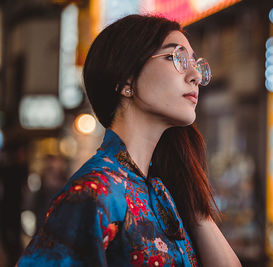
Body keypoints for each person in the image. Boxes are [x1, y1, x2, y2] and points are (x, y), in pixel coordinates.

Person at [18, 14, 241, 267]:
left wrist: (194, 205)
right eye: (174, 58)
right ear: (126, 80)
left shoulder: (161, 190)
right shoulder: (95, 192)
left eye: (195, 64)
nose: (195, 76)